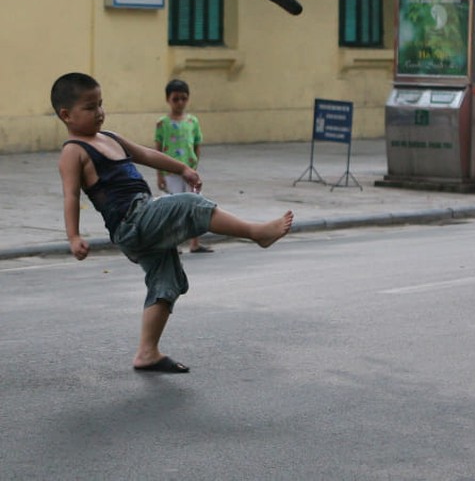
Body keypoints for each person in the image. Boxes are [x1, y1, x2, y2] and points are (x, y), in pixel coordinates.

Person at [51, 72, 294, 374]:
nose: (99, 112)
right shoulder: (73, 152)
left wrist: (183, 168)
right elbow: (71, 196)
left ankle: (147, 353)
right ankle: (256, 233)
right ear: (66, 114)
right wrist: (73, 236)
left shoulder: (109, 137)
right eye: (90, 107)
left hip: (145, 216)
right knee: (190, 205)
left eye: (101, 104)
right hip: (132, 222)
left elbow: (146, 154)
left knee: (166, 281)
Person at [155, 78, 210, 254]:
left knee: (194, 205)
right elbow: (157, 150)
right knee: (173, 208)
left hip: (189, 172)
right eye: (175, 99)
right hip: (170, 173)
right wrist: (159, 174)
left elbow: (197, 144)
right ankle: (173, 243)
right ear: (167, 99)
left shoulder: (192, 121)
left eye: (183, 98)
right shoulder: (162, 123)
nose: (180, 102)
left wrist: (194, 166)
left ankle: (195, 242)